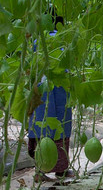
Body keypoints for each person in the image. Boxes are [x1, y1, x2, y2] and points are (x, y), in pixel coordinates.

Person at [28, 11, 73, 179]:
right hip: (59, 89)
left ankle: (40, 171)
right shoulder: (62, 39)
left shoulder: (36, 40)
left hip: (42, 90)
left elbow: (32, 67)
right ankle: (61, 170)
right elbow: (66, 66)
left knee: (42, 129)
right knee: (60, 129)